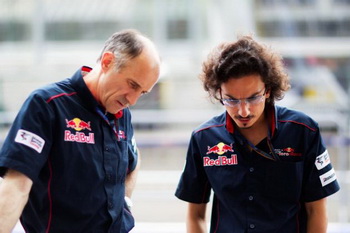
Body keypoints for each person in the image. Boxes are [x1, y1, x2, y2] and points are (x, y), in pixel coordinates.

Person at [0, 29, 161, 233]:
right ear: (107, 61)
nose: (133, 100)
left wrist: (125, 204)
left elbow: (134, 162)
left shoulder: (122, 113)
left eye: (143, 92)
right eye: (132, 85)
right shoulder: (47, 105)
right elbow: (16, 186)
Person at [175, 36, 340, 233]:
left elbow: (317, 211)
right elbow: (195, 216)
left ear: (268, 90)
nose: (243, 111)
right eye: (231, 100)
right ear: (219, 92)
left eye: (253, 98)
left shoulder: (304, 131)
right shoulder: (204, 138)